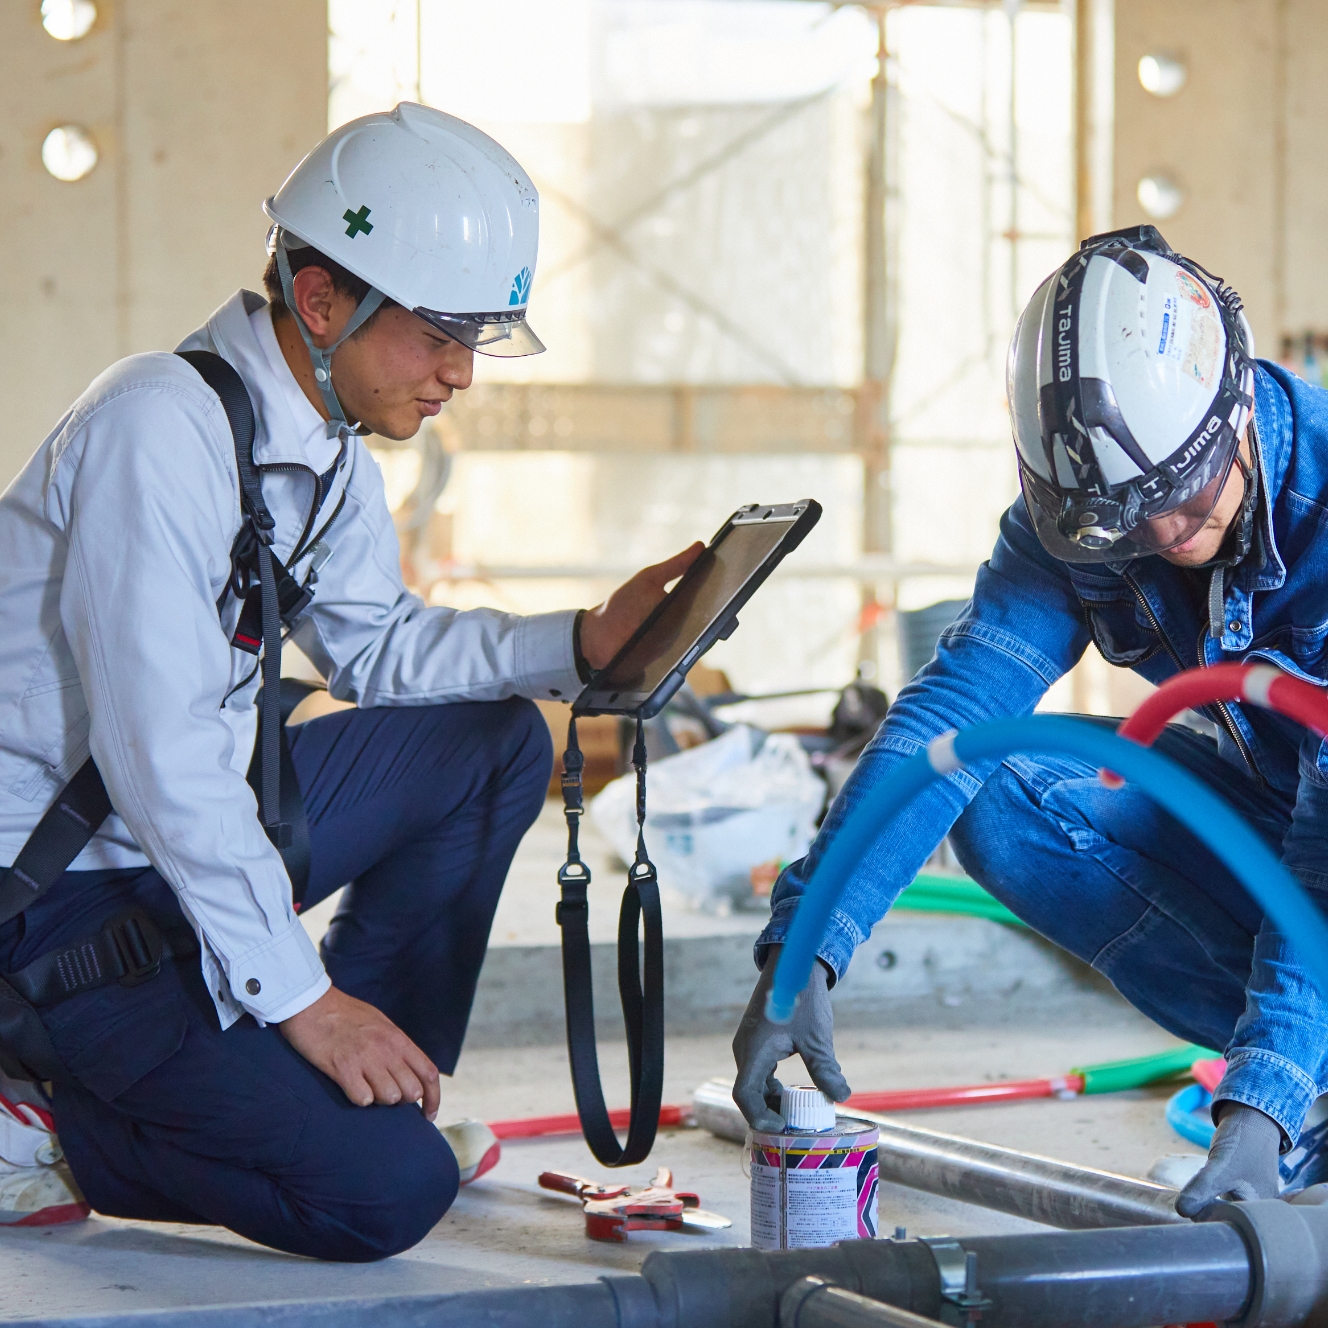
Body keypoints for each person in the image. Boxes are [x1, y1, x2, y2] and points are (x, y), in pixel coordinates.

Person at [0, 103, 699, 1257]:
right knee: (382, 1197)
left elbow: (377, 649)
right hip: (57, 898)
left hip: (172, 848)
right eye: (438, 333)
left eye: (476, 337)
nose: (461, 372)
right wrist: (302, 999)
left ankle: (392, 1082)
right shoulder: (155, 428)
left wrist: (579, 642)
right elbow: (161, 756)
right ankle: (42, 1119)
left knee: (494, 744)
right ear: (321, 298)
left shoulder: (322, 446)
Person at [733, 224, 1328, 1219]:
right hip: (1284, 800)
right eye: (1131, 517)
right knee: (997, 796)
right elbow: (956, 709)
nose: (1165, 535)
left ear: (1232, 408)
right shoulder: (1095, 510)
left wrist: (1255, 1096)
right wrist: (807, 943)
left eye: (1179, 495)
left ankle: (1288, 1088)